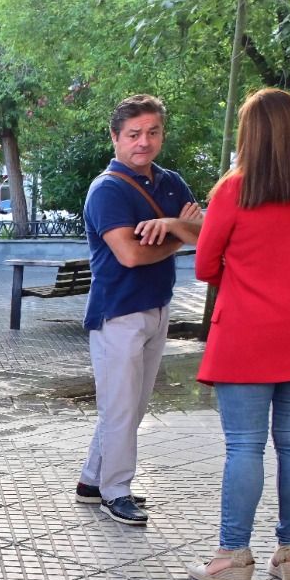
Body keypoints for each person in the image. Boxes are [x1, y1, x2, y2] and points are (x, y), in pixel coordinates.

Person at [187, 88, 290, 580]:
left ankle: (233, 556)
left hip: (246, 335)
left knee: (245, 447)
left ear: (249, 136)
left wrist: (248, 270)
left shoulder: (234, 191)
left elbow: (204, 265)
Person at [79, 94, 203, 527]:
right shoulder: (108, 189)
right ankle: (117, 491)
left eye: (152, 132)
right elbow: (130, 255)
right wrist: (178, 234)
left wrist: (170, 227)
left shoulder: (171, 181)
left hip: (158, 303)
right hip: (118, 312)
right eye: (133, 135)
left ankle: (92, 480)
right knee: (121, 406)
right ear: (115, 137)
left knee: (131, 402)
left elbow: (201, 232)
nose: (143, 142)